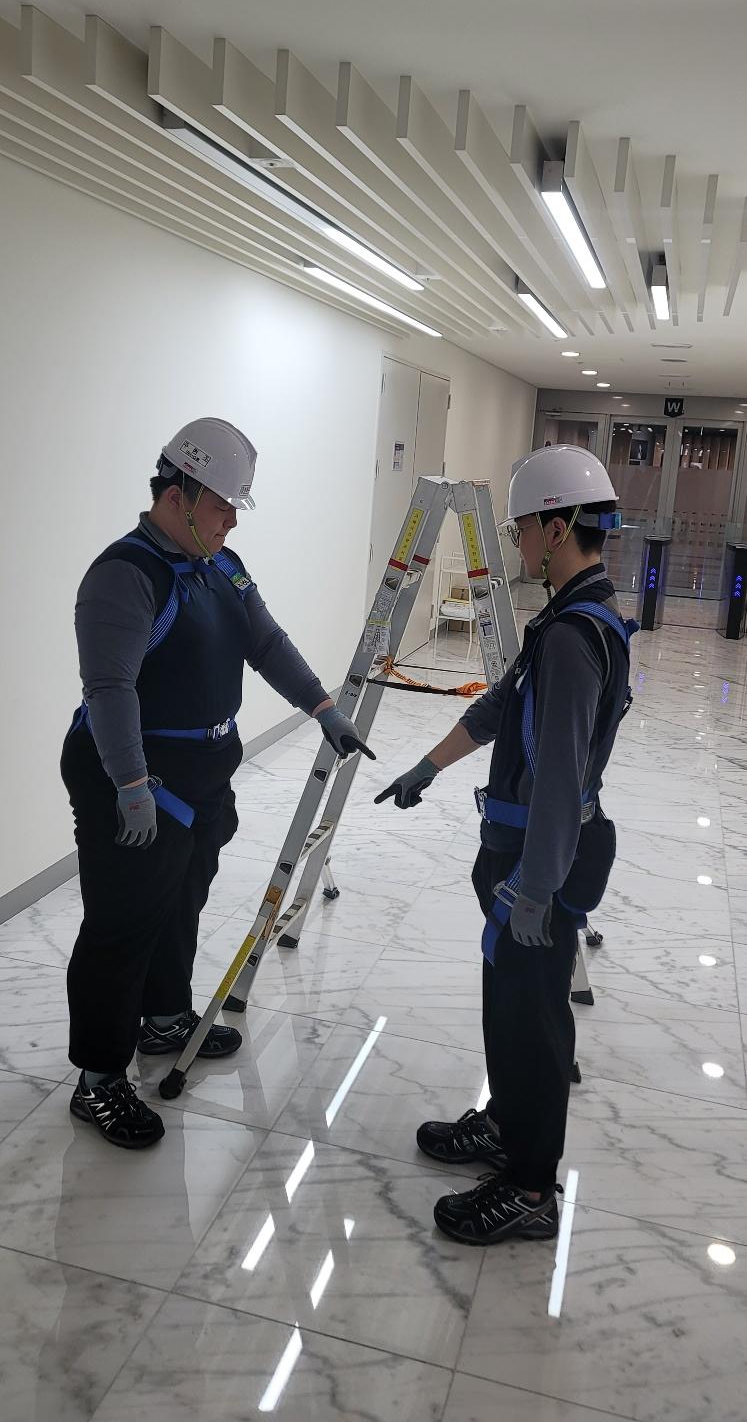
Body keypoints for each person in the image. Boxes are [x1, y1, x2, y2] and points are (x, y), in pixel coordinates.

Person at [62, 417, 374, 1150]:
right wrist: (130, 783)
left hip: (201, 778)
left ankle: (164, 1017)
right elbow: (110, 689)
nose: (232, 519)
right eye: (223, 506)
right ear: (176, 494)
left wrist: (323, 708)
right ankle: (98, 1078)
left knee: (180, 902)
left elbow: (265, 641)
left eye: (237, 507)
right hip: (135, 777)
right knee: (121, 922)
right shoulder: (124, 575)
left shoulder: (221, 567)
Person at [375, 445, 636, 1246]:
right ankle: (505, 1124)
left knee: (533, 1022)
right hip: (525, 854)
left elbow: (559, 775)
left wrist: (534, 889)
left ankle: (529, 1187)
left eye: (523, 528)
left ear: (556, 528)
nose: (518, 542)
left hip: (539, 862)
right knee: (510, 1007)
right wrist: (428, 764)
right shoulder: (567, 616)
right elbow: (499, 707)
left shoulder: (571, 638)